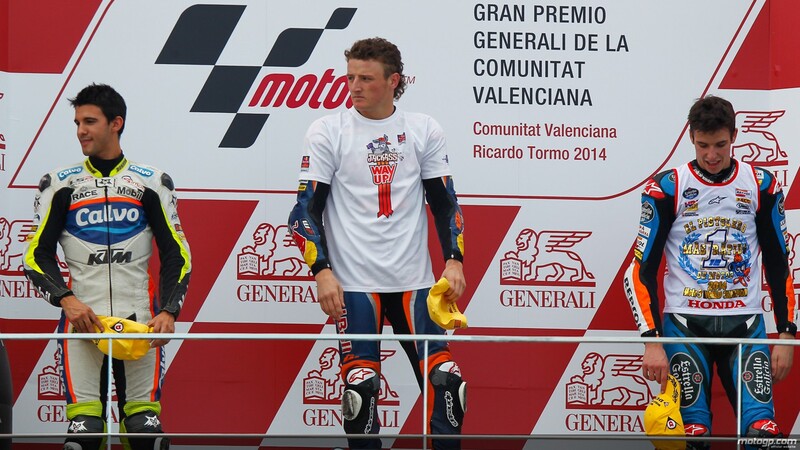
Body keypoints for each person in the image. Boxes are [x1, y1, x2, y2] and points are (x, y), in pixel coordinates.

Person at [288, 37, 467, 449]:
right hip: (353, 285)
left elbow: (445, 204)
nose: (354, 86)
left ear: (393, 81)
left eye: (366, 78)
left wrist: (454, 260)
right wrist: (322, 271)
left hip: (414, 283)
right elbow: (304, 210)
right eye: (350, 77)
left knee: (447, 381)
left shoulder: (423, 128)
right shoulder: (327, 130)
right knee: (361, 387)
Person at [23, 83, 191, 450]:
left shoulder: (151, 181)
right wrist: (67, 300)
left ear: (116, 123)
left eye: (90, 122)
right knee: (84, 434)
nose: (80, 131)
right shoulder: (59, 184)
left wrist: (168, 310)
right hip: (82, 321)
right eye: (77, 123)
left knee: (145, 434)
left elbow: (176, 253)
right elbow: (36, 255)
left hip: (140, 320)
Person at [624, 95, 797, 449]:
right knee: (691, 436)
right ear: (691, 137)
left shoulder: (761, 184)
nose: (712, 155)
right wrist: (652, 342)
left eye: (720, 144)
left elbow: (779, 263)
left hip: (745, 326)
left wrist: (787, 334)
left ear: (734, 136)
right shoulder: (667, 188)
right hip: (685, 325)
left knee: (762, 433)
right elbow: (640, 271)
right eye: (703, 145)